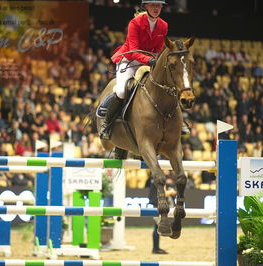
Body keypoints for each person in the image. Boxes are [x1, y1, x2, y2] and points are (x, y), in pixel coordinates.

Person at [100, 0, 168, 140]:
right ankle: (107, 124)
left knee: (165, 85)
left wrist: (155, 59)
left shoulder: (163, 25)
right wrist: (149, 60)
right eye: (153, 5)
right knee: (121, 90)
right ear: (146, 6)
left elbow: (158, 48)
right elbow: (133, 50)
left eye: (159, 5)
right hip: (130, 60)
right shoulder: (135, 23)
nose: (156, 8)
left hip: (149, 61)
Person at [147, 172, 176, 254]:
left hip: (157, 204)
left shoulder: (157, 177)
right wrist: (171, 192)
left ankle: (156, 248)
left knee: (156, 228)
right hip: (157, 205)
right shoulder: (158, 179)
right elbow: (162, 194)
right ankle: (155, 248)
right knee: (157, 228)